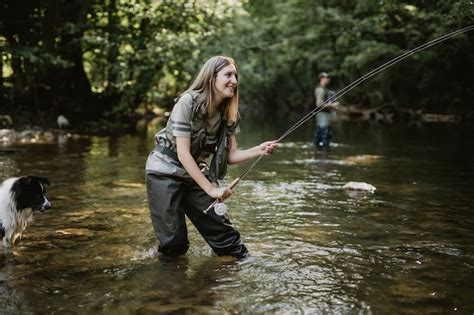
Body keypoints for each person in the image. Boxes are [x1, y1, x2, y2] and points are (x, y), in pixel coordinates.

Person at [145, 56, 278, 258]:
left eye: (235, 75)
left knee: (228, 239)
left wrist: (258, 150)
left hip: (194, 173)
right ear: (211, 77)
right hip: (164, 172)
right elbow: (183, 153)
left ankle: (245, 269)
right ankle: (171, 285)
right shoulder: (187, 102)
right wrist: (211, 189)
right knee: (174, 244)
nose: (234, 80)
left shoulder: (230, 113)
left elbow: (231, 156)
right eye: (228, 75)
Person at [314, 72, 339, 150]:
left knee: (320, 134)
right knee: (325, 134)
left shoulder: (325, 90)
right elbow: (319, 104)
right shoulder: (320, 90)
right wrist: (332, 105)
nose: (329, 79)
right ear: (322, 79)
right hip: (322, 115)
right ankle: (324, 154)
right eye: (326, 78)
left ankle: (318, 152)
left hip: (324, 115)